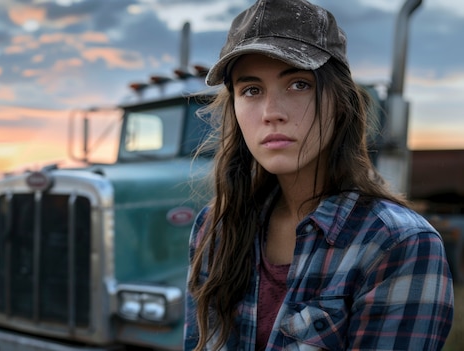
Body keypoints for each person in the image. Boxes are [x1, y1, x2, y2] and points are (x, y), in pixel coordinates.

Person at [184, 0, 454, 350]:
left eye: (299, 84)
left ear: (340, 102)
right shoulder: (216, 227)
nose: (271, 113)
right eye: (251, 90)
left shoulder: (398, 244)